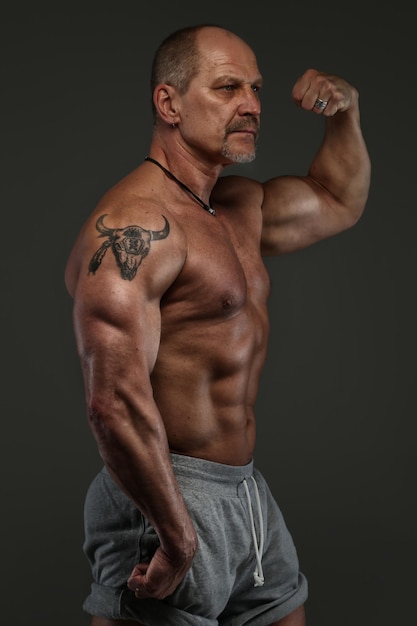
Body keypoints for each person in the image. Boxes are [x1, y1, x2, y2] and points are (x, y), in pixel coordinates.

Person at [65, 23, 371, 626]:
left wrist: (345, 115)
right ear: (169, 102)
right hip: (163, 495)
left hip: (245, 490)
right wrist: (176, 536)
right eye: (228, 88)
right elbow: (113, 404)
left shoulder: (237, 209)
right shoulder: (135, 227)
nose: (252, 105)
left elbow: (339, 199)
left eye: (255, 89)